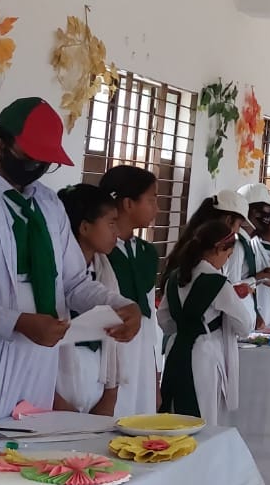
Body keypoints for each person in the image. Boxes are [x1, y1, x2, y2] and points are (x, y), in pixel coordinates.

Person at [0, 97, 139, 424]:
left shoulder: (49, 205)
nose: (39, 166)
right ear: (0, 146)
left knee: (34, 444)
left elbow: (74, 283)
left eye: (46, 160)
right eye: (31, 157)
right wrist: (17, 322)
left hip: (40, 361)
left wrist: (120, 305)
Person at [157, 217, 254, 424]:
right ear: (219, 249)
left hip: (175, 350)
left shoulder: (175, 277)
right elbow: (245, 326)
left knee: (172, 414)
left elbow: (164, 319)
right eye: (227, 255)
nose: (226, 261)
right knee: (202, 415)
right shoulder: (217, 282)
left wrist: (185, 328)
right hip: (203, 354)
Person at [97, 165, 164, 414]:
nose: (157, 208)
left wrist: (154, 374)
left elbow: (150, 316)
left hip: (142, 354)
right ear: (128, 204)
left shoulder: (147, 252)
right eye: (151, 200)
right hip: (109, 349)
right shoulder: (101, 251)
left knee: (140, 418)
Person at [53, 184, 122, 415]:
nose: (116, 231)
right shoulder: (52, 274)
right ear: (84, 227)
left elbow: (114, 342)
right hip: (56, 387)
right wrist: (56, 402)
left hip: (96, 386)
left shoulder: (105, 272)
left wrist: (110, 394)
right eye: (111, 223)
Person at [235, 183, 270, 328]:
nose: (268, 217)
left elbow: (244, 280)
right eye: (266, 211)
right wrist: (260, 277)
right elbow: (231, 288)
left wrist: (263, 276)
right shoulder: (237, 244)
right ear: (253, 212)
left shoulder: (245, 242)